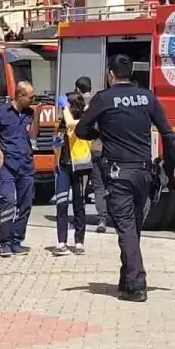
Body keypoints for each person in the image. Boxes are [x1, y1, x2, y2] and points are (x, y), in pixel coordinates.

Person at [75, 55, 175, 302]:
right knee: (132, 229)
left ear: (111, 75)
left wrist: (101, 131)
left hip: (119, 175)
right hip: (144, 175)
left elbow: (81, 130)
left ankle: (137, 285)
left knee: (125, 229)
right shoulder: (148, 96)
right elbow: (167, 133)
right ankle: (126, 280)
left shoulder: (103, 99)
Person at [0, 80, 38, 257]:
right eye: (31, 97)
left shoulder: (30, 113)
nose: (33, 100)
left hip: (25, 164)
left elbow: (32, 135)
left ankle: (17, 241)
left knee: (26, 204)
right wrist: (0, 156)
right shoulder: (1, 113)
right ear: (20, 95)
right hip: (7, 165)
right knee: (8, 201)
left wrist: (37, 117)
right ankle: (5, 242)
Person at [59, 76, 112, 232]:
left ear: (77, 89)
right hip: (103, 148)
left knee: (89, 187)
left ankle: (89, 220)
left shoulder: (77, 103)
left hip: (86, 152)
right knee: (105, 185)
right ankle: (109, 218)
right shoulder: (99, 101)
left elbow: (70, 125)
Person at [52, 92, 93, 255]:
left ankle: (79, 242)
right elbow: (57, 139)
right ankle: (61, 241)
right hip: (64, 166)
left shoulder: (84, 122)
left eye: (67, 105)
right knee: (61, 204)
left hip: (81, 168)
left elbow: (71, 123)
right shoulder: (64, 122)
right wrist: (56, 144)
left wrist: (64, 106)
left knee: (79, 205)